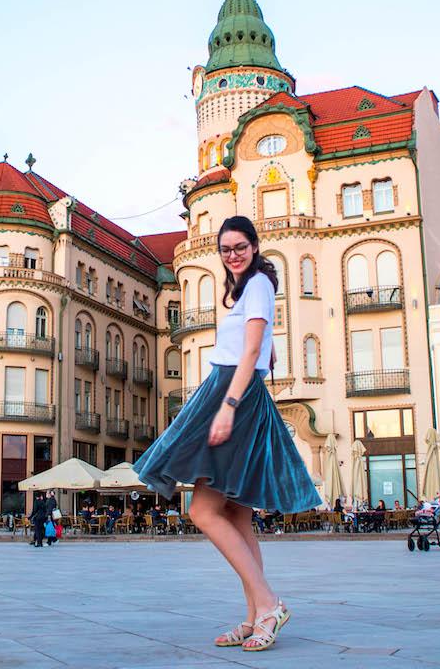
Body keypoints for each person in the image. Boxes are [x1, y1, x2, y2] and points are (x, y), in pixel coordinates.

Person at [134, 216, 320, 652]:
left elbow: (252, 350)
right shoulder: (248, 290)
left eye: (239, 247)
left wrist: (229, 407)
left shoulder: (256, 284)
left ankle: (270, 604)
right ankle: (256, 615)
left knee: (202, 510)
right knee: (237, 515)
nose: (232, 254)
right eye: (225, 249)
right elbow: (262, 345)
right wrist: (260, 355)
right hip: (234, 387)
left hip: (230, 392)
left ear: (254, 247)